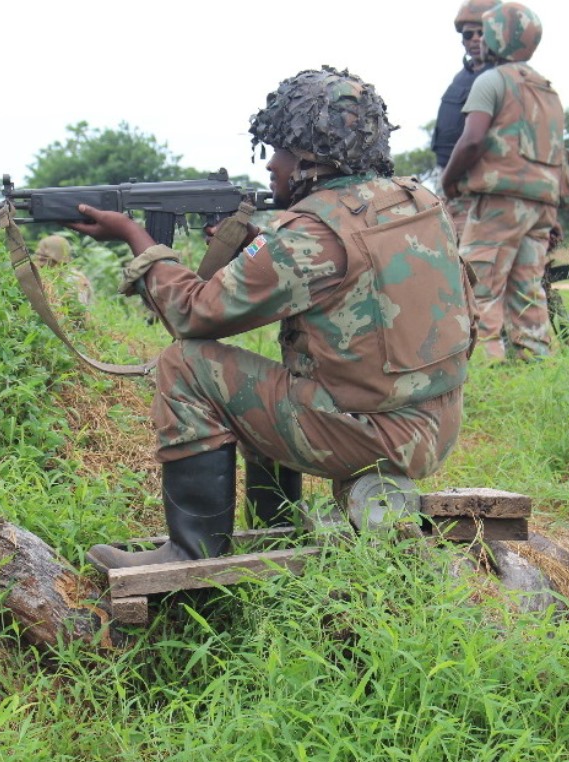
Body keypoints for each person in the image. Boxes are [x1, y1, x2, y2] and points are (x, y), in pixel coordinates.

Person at [68, 67, 476, 571]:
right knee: (274, 379)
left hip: (374, 437)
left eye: (280, 152)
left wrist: (136, 237)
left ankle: (190, 551)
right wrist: (255, 244)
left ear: (310, 159)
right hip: (432, 423)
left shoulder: (311, 233)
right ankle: (276, 521)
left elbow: (193, 315)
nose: (271, 167)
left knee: (190, 365)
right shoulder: (419, 202)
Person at [440, 2, 564, 361]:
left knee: (478, 286)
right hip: (541, 204)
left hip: (499, 202)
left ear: (496, 37)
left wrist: (449, 181)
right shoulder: (547, 90)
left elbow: (473, 138)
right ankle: (535, 362)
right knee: (528, 289)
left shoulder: (491, 81)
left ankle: (485, 369)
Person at [432, 0, 501, 239]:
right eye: (467, 34)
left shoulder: (501, 78)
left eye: (481, 33)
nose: (474, 39)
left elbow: (475, 139)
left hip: (480, 186)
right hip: (450, 184)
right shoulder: (461, 77)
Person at [33, 234, 94, 306]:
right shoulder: (42, 276)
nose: (39, 258)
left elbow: (78, 309)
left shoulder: (74, 279)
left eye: (44, 256)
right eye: (38, 255)